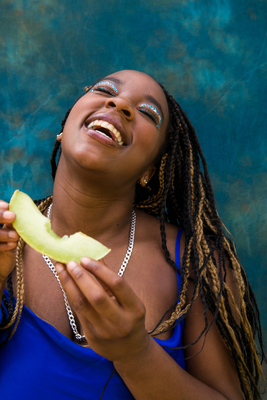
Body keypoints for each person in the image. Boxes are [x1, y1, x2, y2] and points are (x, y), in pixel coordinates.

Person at [0, 70, 265, 400]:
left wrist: (135, 354)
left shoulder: (199, 264)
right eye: (104, 89)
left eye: (147, 113)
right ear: (62, 129)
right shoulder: (5, 236)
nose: (120, 102)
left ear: (149, 170)